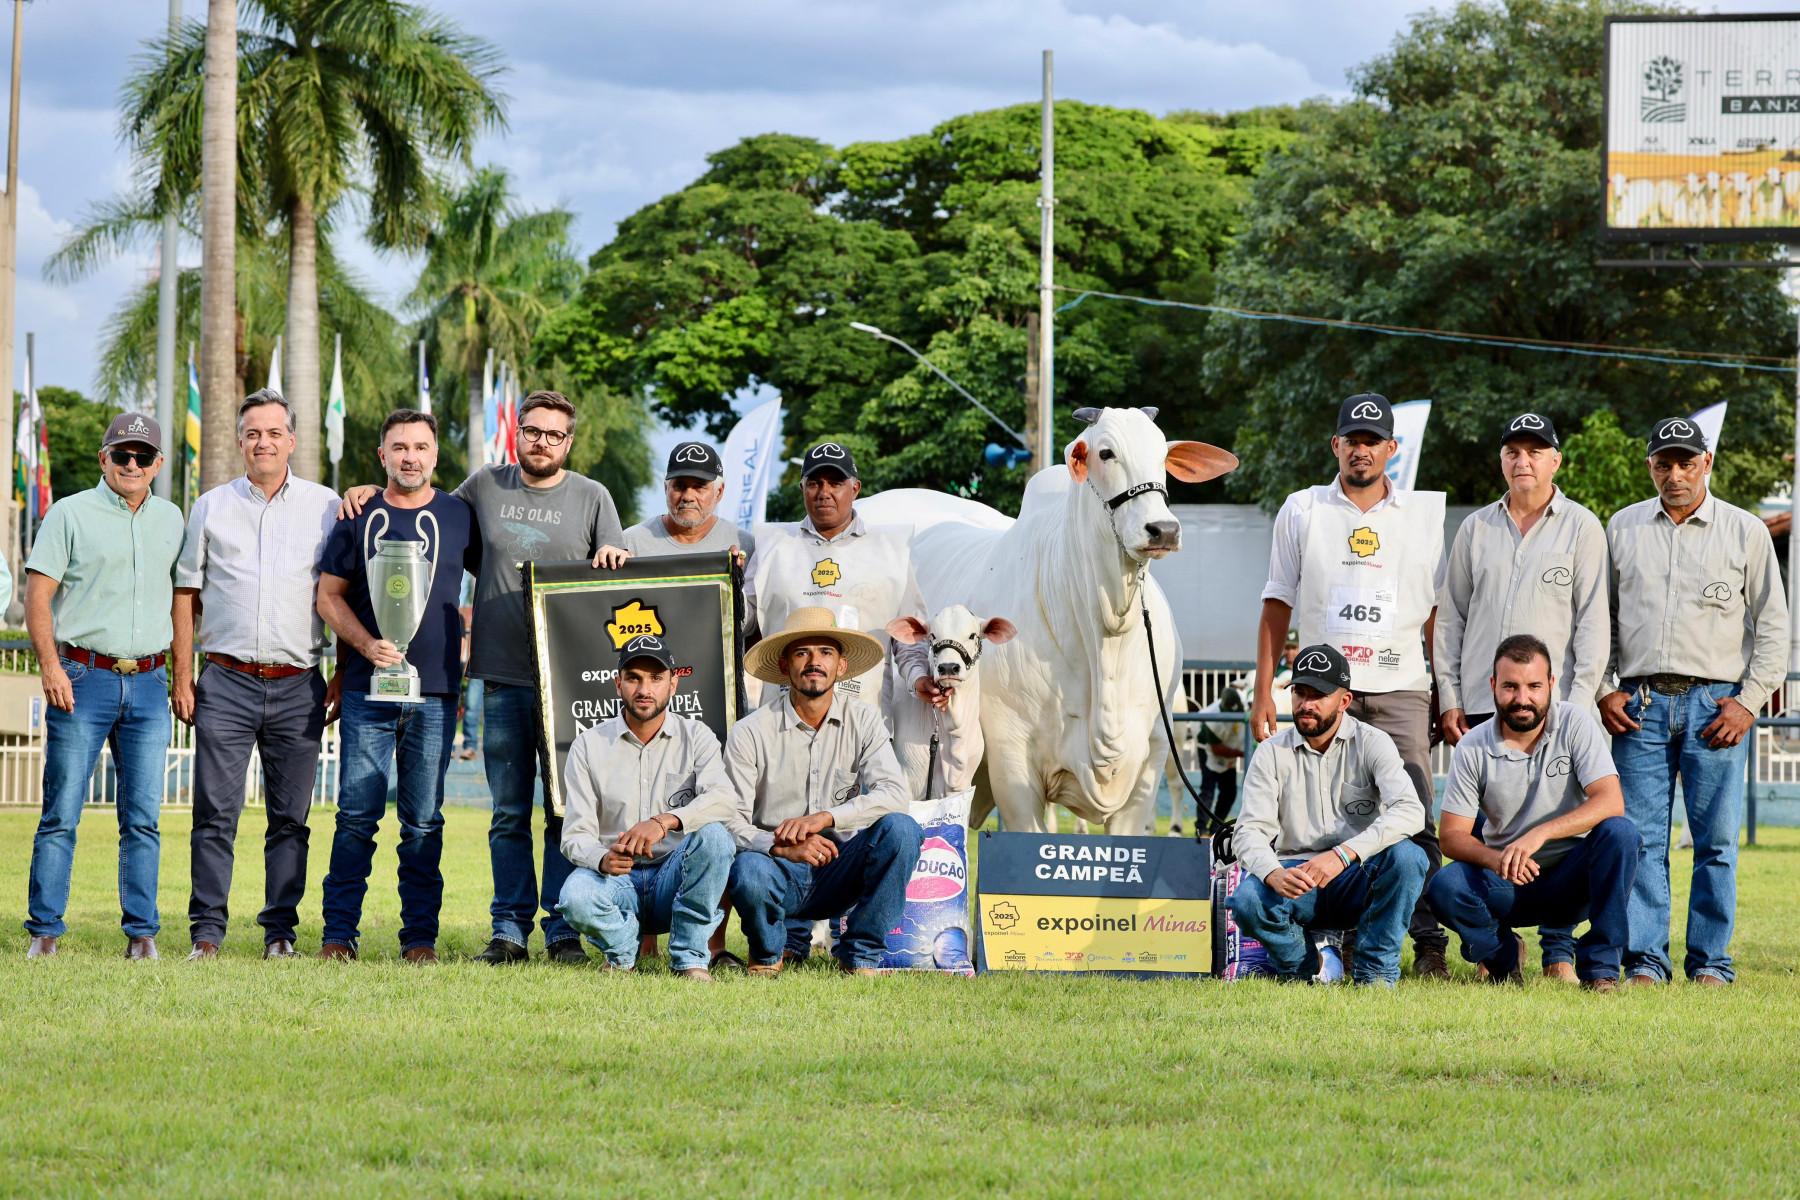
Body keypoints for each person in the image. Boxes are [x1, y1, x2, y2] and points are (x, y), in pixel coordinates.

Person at [341, 391, 627, 966]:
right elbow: (423, 506)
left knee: (565, 811)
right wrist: (372, 490)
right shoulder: (484, 486)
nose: (541, 442)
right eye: (532, 431)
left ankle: (563, 931)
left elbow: (617, 568)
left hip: (569, 681)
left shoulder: (593, 497)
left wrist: (617, 554)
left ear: (569, 441)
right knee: (508, 813)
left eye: (554, 434)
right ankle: (509, 931)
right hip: (500, 675)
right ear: (517, 433)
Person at [1251, 393, 1450, 976]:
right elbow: (1276, 601)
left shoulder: (1421, 515)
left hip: (1401, 686)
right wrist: (1264, 690)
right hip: (1323, 689)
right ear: (1335, 445)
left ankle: (1428, 942)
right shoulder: (1303, 509)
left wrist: (1444, 688)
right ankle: (1339, 937)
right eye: (1352, 440)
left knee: (1412, 814)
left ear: (1392, 449)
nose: (1361, 451)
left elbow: (1435, 613)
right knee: (1327, 815)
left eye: (1373, 442)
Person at [1600, 416, 1787, 987]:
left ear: (1707, 463)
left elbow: (1774, 627)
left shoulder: (1745, 530)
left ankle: (1710, 962)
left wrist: (1748, 702)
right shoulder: (1623, 527)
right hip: (1640, 705)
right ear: (1650, 467)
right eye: (1664, 464)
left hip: (1717, 706)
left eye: (1686, 462)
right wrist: (1605, 687)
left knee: (1717, 843)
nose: (1675, 474)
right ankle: (1646, 961)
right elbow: (1600, 621)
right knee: (1640, 839)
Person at [1434, 411, 1608, 981]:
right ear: (1502, 460)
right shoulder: (1475, 529)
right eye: (1513, 451)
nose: (1522, 460)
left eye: (1535, 451)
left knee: (1559, 825)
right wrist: (1450, 695)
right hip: (1485, 702)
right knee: (1482, 827)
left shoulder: (1582, 527)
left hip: (1556, 708)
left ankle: (1559, 950)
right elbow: (1451, 619)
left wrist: (1575, 708)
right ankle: (1497, 944)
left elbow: (1592, 624)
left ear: (1556, 460)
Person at [171, 390, 340, 960]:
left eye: (273, 433)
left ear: (292, 440)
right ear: (240, 441)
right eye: (252, 433)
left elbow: (341, 593)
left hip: (299, 683)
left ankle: (280, 934)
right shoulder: (210, 507)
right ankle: (206, 934)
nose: (262, 442)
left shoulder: (326, 506)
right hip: (226, 681)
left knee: (290, 819)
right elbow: (186, 594)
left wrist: (341, 672)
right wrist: (183, 675)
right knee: (213, 815)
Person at [315, 409, 479, 963]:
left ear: (436, 455)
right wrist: (366, 647)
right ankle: (339, 935)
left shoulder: (460, 516)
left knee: (424, 822)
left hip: (436, 694)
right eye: (399, 447)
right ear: (382, 455)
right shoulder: (357, 514)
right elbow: (328, 597)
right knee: (356, 817)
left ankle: (420, 940)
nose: (411, 457)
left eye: (421, 447)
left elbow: (498, 573)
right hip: (368, 691)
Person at [21, 413, 185, 959]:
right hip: (82, 678)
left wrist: (181, 676)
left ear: (158, 464)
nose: (131, 464)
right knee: (61, 812)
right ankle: (45, 931)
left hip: (150, 683)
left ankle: (142, 934)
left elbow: (183, 601)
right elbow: (37, 596)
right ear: (103, 459)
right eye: (121, 454)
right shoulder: (68, 513)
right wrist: (50, 667)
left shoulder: (172, 519)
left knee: (143, 818)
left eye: (143, 456)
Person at [1430, 635, 1639, 990]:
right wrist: (1497, 859)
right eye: (1510, 686)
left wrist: (1539, 833)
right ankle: (1503, 960)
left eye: (1534, 686)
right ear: (1493, 686)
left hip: (1574, 879)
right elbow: (1450, 836)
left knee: (1621, 833)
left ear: (1551, 685)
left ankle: (1600, 971)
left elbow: (1610, 801)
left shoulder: (1575, 722)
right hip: (1509, 882)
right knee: (1445, 886)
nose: (1522, 698)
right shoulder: (1472, 746)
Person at [722, 607, 923, 975]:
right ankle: (768, 953)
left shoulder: (864, 719)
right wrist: (780, 846)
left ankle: (859, 955)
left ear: (841, 666)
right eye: (802, 653)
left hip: (839, 867)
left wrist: (826, 817)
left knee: (902, 830)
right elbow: (729, 821)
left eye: (825, 652)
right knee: (747, 869)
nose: (814, 662)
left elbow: (895, 794)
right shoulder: (750, 732)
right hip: (776, 868)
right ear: (785, 666)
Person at [1229, 644, 1429, 986]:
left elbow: (1411, 810)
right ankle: (1302, 965)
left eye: (1319, 695)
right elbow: (1248, 831)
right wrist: (1274, 873)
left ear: (1344, 701)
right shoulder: (1270, 752)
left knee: (1409, 858)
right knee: (1247, 901)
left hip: (1357, 873)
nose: (1306, 704)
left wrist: (1343, 855)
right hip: (1296, 877)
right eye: (1300, 692)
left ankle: (1375, 973)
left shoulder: (1373, 742)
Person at [556, 634, 739, 980]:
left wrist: (665, 821)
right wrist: (602, 858)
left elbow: (724, 799)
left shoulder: (697, 736)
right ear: (618, 684)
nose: (644, 689)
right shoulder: (588, 745)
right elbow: (575, 835)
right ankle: (623, 950)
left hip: (675, 876)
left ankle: (690, 957)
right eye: (634, 678)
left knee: (716, 837)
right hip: (617, 879)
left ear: (673, 684)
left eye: (656, 678)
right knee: (575, 896)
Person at [743, 442, 933, 726]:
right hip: (781, 721)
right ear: (802, 488)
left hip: (863, 723)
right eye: (814, 483)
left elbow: (909, 637)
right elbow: (742, 620)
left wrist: (918, 678)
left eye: (835, 483)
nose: (824, 492)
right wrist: (724, 582)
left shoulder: (892, 549)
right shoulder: (772, 546)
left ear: (855, 489)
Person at [619, 441, 755, 560]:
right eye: (679, 486)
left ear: (719, 492)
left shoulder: (745, 546)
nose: (687, 496)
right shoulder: (630, 543)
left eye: (699, 487)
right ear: (666, 488)